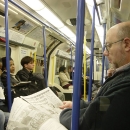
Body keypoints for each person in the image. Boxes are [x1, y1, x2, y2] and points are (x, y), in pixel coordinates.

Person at [59, 21, 130, 130]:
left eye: (108, 46)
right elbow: (104, 105)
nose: (105, 53)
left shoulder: (125, 85)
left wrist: (65, 113)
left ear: (127, 44)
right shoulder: (121, 76)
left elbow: (87, 124)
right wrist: (78, 105)